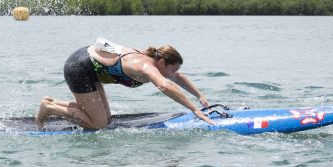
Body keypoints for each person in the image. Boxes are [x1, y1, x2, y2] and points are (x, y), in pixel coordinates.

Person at [35, 38, 216, 130]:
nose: (174, 74)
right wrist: (195, 110)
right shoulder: (147, 66)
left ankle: (52, 102)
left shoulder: (156, 61)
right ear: (161, 63)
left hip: (91, 66)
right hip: (79, 68)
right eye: (172, 69)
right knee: (98, 125)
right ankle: (49, 108)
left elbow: (177, 77)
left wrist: (200, 96)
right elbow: (166, 86)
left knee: (105, 120)